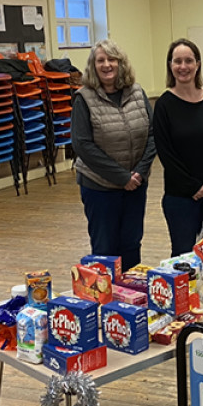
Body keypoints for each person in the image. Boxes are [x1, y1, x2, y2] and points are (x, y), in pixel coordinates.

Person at [71, 39, 155, 271]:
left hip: (136, 185)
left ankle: (131, 300)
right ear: (93, 66)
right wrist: (121, 177)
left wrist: (138, 173)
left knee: (131, 244)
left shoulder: (137, 92)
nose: (107, 65)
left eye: (112, 59)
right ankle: (105, 302)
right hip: (99, 187)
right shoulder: (83, 98)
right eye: (101, 60)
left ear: (121, 63)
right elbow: (82, 145)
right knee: (105, 248)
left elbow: (153, 134)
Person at [153, 38, 203, 255]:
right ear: (170, 65)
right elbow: (165, 153)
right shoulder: (164, 105)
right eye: (177, 61)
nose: (183, 67)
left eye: (188, 61)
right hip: (181, 197)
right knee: (183, 256)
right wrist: (193, 187)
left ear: (198, 64)